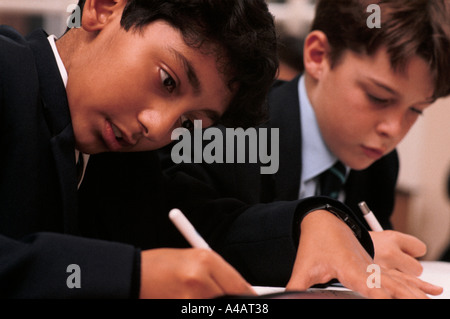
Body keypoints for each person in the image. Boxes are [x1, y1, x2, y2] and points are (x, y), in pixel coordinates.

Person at [155, 0, 450, 298]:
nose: (394, 129)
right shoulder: (230, 128)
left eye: (416, 110)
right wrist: (328, 237)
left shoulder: (380, 165)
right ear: (318, 56)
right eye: (378, 97)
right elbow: (193, 229)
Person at [0, 0, 279, 298]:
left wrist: (309, 219)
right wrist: (130, 274)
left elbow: (211, 228)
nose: (158, 128)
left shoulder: (115, 163)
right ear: (102, 9)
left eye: (187, 122)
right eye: (167, 81)